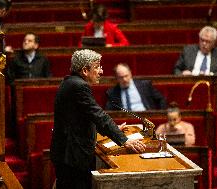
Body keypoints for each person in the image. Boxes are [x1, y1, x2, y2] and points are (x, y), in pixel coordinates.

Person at [50, 49, 146, 189]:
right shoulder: (79, 86)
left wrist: (109, 131)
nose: (101, 71)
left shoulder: (70, 82)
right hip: (72, 156)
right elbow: (98, 115)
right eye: (97, 67)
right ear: (85, 70)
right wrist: (124, 140)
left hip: (67, 153)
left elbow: (84, 118)